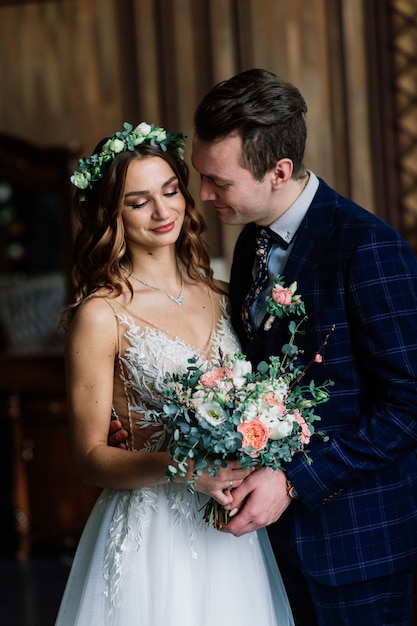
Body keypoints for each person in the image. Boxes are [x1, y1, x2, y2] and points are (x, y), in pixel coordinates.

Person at [111, 69, 417, 624]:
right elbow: (244, 372)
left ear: (277, 171)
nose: (202, 196)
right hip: (257, 545)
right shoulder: (253, 236)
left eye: (218, 182)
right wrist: (149, 419)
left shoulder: (368, 248)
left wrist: (296, 480)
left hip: (354, 547)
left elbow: (408, 406)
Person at [54, 121, 294, 626]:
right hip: (151, 533)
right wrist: (182, 468)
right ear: (111, 214)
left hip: (232, 535)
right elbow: (89, 460)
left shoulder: (227, 296)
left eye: (170, 191)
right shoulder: (101, 315)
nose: (163, 211)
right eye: (139, 201)